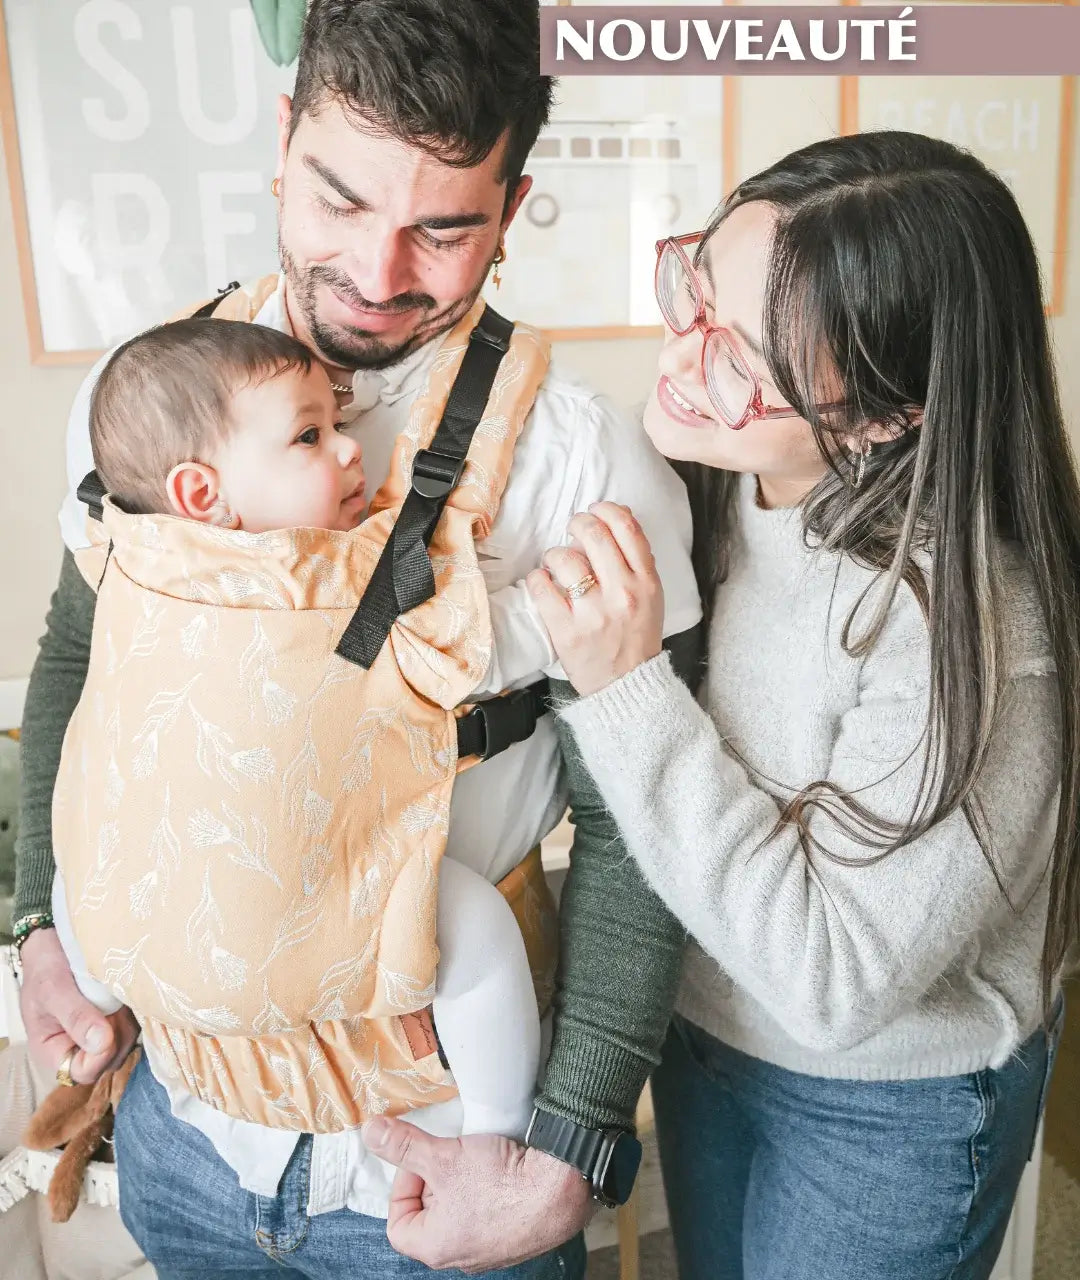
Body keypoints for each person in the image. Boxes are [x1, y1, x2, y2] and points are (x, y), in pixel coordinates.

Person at [12, 2, 702, 1276]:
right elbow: (74, 659)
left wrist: (566, 1148)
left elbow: (641, 821)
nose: (380, 275)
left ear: (513, 205)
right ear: (284, 142)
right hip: (186, 1127)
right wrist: (33, 928)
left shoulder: (581, 460)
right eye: (338, 200)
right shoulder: (143, 400)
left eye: (443, 227)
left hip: (437, 1160)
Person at [516, 130, 1078, 1280]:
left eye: (739, 357)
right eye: (696, 290)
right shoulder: (723, 486)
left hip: (889, 1108)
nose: (681, 355)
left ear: (885, 416)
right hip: (707, 1040)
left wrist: (628, 691)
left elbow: (833, 984)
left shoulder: (970, 630)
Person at [49, 316, 550, 1146]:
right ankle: (497, 1124)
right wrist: (557, 607)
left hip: (123, 921)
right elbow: (480, 643)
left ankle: (100, 1004)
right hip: (292, 906)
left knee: (89, 861)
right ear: (201, 495)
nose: (351, 450)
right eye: (311, 436)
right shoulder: (338, 578)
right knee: (470, 931)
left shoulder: (122, 556)